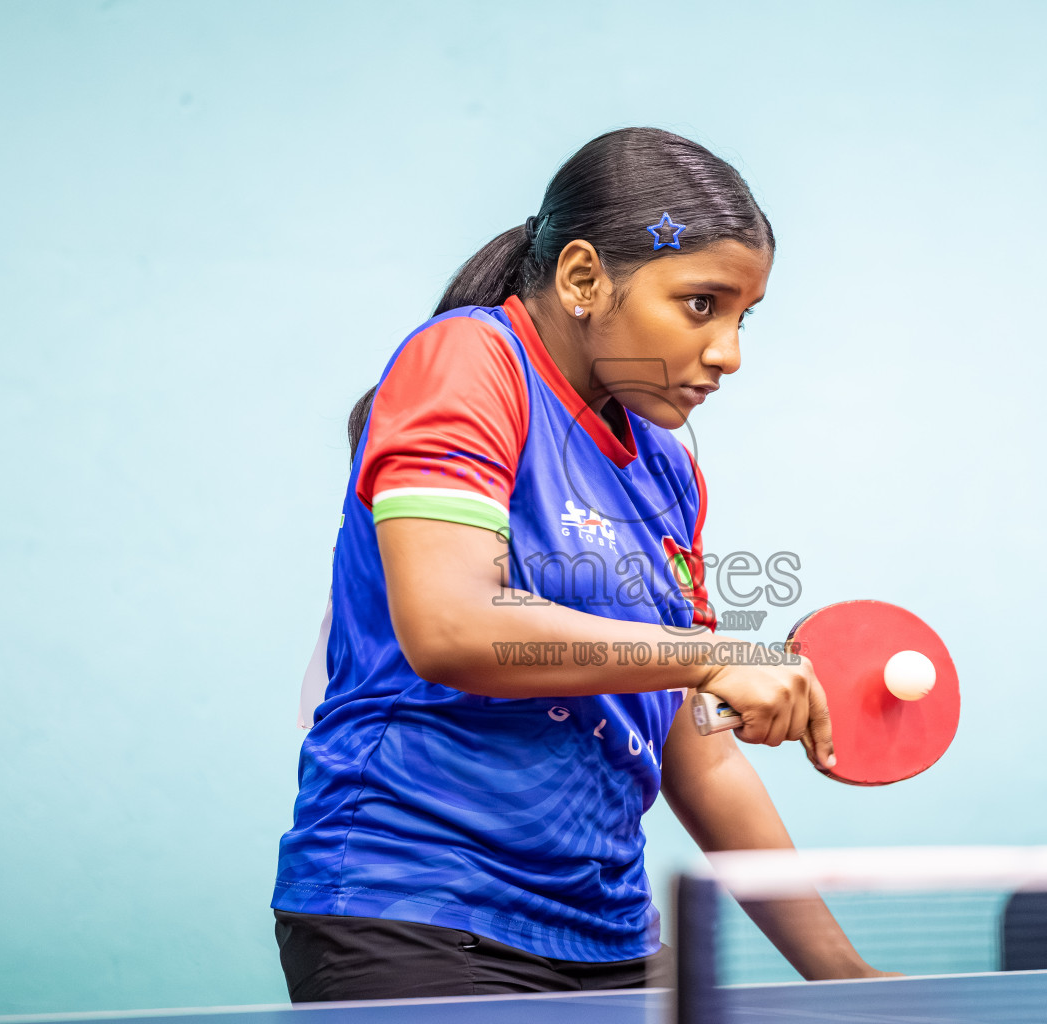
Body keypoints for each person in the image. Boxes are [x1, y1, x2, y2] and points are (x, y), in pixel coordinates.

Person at [273, 127, 883, 1000]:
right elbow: (452, 625)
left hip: (607, 939)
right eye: (702, 304)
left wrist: (846, 977)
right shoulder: (470, 361)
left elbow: (694, 747)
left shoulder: (666, 466)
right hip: (417, 911)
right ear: (585, 279)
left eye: (744, 317)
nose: (729, 352)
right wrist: (713, 655)